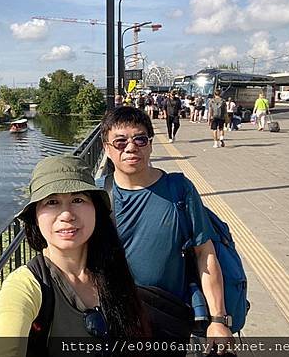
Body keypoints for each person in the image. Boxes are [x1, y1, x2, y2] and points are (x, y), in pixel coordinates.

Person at [99, 107, 234, 351]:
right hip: (115, 317)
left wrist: (218, 319)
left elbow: (205, 252)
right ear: (106, 148)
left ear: (150, 144)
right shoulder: (96, 195)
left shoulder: (179, 190)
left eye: (140, 139)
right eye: (120, 142)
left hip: (169, 315)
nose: (131, 148)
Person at [0, 155, 148, 357]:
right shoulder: (24, 286)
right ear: (35, 217)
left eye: (77, 200)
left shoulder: (112, 269)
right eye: (52, 202)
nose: (67, 215)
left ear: (96, 210)